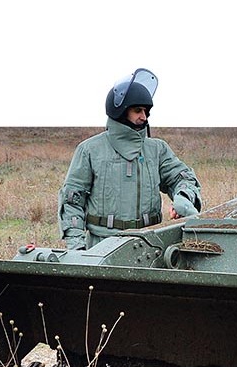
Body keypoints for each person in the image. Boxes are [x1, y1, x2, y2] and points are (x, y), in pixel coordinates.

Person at [58, 68, 202, 250]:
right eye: (137, 110)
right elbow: (72, 200)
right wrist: (77, 249)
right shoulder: (90, 150)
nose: (144, 116)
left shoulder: (157, 149)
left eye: (146, 111)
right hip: (103, 245)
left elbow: (183, 179)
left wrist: (183, 197)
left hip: (152, 244)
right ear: (120, 110)